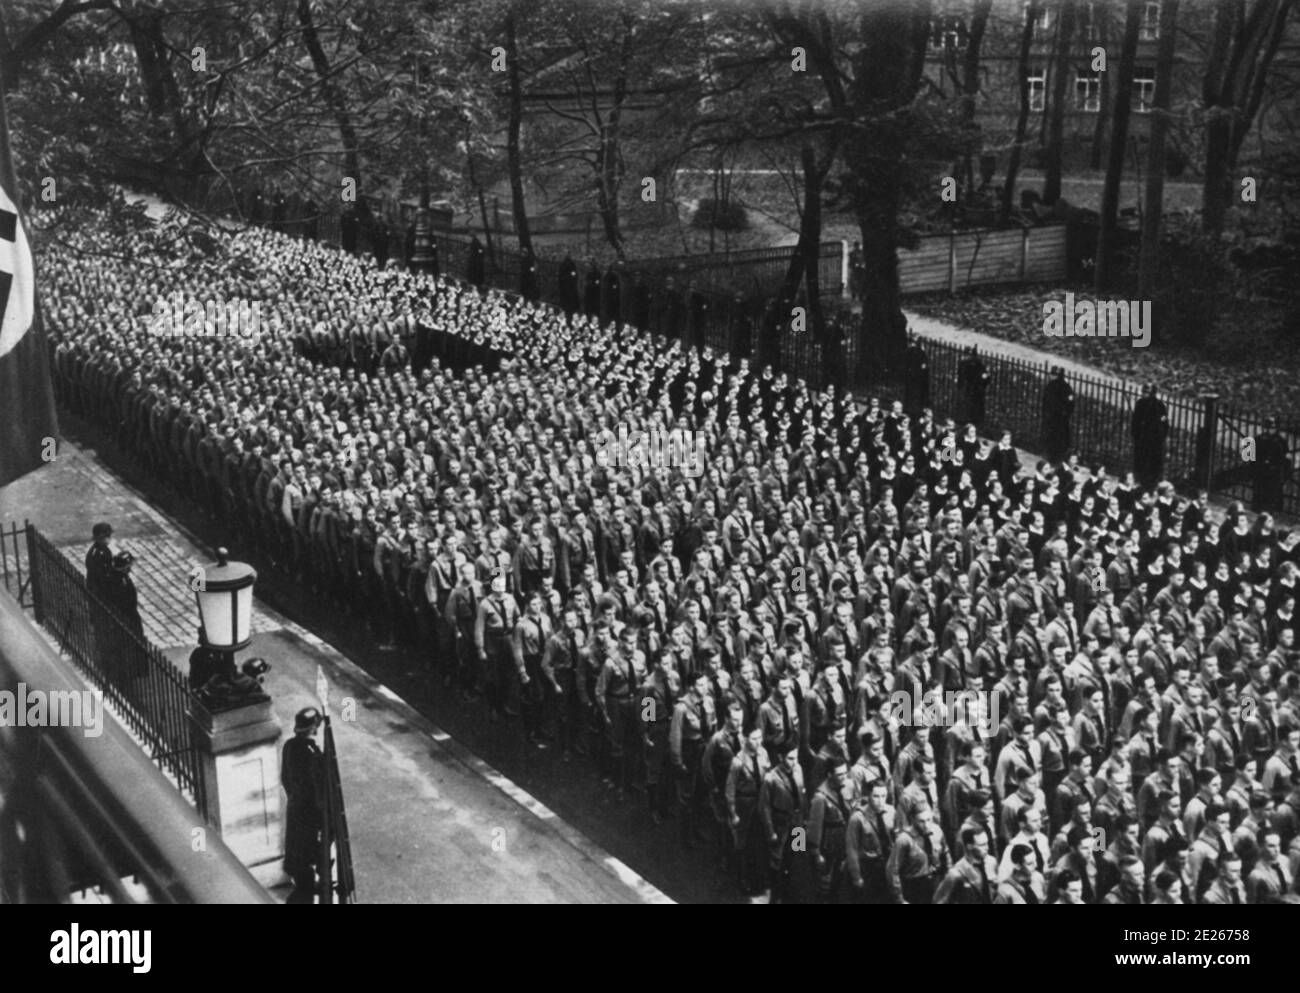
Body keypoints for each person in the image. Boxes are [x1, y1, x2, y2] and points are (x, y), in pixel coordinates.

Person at [281, 707, 326, 904]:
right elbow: (318, 789)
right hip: (310, 812)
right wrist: (321, 815)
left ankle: (304, 885)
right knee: (310, 852)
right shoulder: (313, 754)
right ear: (313, 729)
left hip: (295, 807)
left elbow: (285, 778)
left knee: (297, 850)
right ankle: (306, 891)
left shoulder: (289, 746)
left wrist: (294, 797)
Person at [1131, 384, 1168, 490]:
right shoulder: (1140, 403)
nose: (1143, 394)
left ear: (1152, 394)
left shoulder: (1159, 406)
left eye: (1146, 392)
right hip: (1141, 441)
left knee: (1153, 465)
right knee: (1140, 463)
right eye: (1143, 392)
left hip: (1154, 443)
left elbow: (1164, 425)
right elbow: (1135, 422)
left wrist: (1159, 439)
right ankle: (1140, 483)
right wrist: (1135, 435)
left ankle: (1152, 485)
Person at [1041, 367, 1075, 462]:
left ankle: (1052, 457)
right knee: (1061, 439)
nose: (1050, 376)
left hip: (1052, 418)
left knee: (1052, 438)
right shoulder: (1067, 386)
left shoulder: (1051, 386)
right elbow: (1071, 402)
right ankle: (1059, 457)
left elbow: (1046, 402)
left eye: (1053, 374)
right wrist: (1066, 413)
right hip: (1062, 419)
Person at [85, 522, 115, 601]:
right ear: (100, 538)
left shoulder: (97, 550)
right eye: (107, 536)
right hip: (100, 589)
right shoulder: (101, 553)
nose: (110, 538)